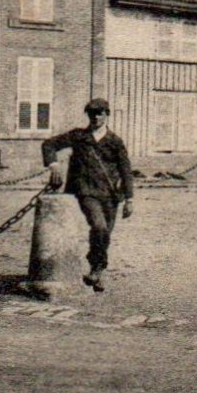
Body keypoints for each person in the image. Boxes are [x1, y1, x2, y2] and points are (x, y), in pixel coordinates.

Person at [42, 98, 134, 292]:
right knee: (99, 227)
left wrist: (129, 199)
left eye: (100, 113)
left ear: (107, 115)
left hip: (110, 195)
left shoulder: (115, 142)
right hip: (86, 191)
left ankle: (97, 270)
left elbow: (126, 170)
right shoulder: (78, 136)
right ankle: (97, 269)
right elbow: (49, 145)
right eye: (92, 113)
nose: (96, 117)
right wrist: (54, 165)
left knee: (104, 235)